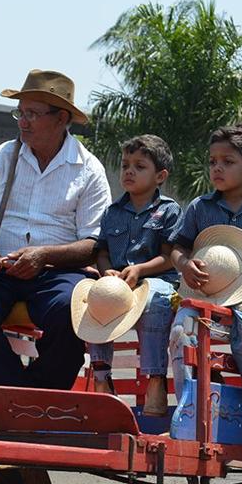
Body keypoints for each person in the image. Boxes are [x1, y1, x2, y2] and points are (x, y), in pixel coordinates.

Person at [0, 69, 112, 390]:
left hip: (59, 273)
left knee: (70, 311)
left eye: (32, 114)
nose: (22, 122)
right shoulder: (1, 157)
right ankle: (11, 393)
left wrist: (44, 256)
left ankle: (39, 395)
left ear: (61, 118)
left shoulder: (89, 169)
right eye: (20, 113)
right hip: (2, 269)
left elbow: (94, 242)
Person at [167, 123, 242, 404]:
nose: (217, 168)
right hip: (202, 290)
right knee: (180, 330)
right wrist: (185, 265)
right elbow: (178, 248)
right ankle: (190, 399)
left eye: (228, 161)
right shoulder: (200, 207)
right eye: (213, 161)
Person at [75, 135, 181, 416]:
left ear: (160, 176)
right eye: (125, 165)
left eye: (139, 166)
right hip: (118, 283)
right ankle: (102, 378)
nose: (129, 171)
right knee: (96, 295)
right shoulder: (112, 212)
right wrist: (106, 270)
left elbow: (169, 256)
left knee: (155, 301)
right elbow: (102, 252)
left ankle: (155, 380)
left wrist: (140, 270)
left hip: (157, 281)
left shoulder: (169, 210)